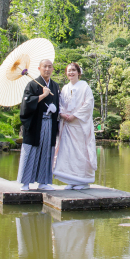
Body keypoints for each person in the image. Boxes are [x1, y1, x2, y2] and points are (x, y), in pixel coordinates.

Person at [52, 62, 97, 190]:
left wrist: (75, 115)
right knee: (68, 152)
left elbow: (88, 104)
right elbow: (60, 103)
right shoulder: (65, 88)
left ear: (79, 72)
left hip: (79, 124)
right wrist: (62, 113)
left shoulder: (85, 86)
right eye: (69, 70)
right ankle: (71, 179)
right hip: (66, 124)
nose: (71, 72)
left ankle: (83, 180)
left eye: (73, 70)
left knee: (81, 151)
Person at [17, 59, 60, 191]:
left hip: (50, 123)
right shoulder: (32, 85)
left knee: (47, 151)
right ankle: (25, 182)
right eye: (45, 67)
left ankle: (43, 182)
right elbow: (26, 104)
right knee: (31, 150)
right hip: (36, 123)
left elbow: (59, 104)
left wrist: (55, 109)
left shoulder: (55, 86)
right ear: (39, 68)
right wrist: (42, 96)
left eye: (50, 67)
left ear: (53, 69)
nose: (47, 69)